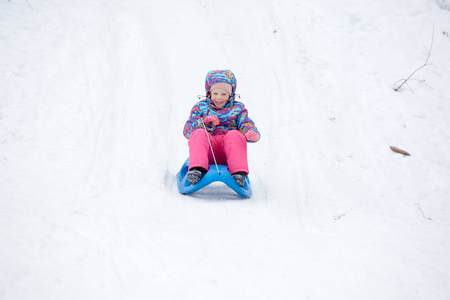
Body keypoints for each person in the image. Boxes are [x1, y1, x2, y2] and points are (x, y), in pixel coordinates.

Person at [183, 70, 260, 187]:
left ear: (230, 95)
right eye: (215, 94)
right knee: (198, 133)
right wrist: (203, 122)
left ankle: (238, 172)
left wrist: (250, 132)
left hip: (229, 154)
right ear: (209, 93)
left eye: (223, 94)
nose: (219, 98)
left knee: (235, 134)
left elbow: (245, 123)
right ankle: (197, 170)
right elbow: (187, 131)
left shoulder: (238, 108)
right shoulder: (200, 107)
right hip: (207, 153)